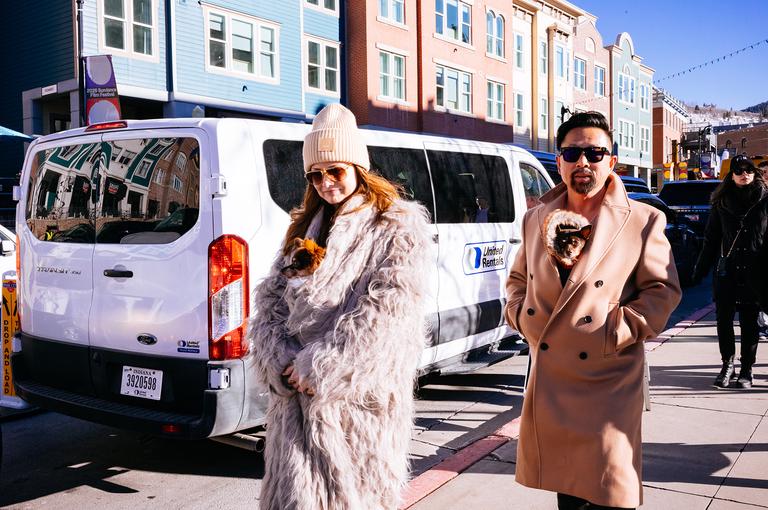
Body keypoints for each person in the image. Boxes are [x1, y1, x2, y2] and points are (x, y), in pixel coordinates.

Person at [247, 103, 432, 510]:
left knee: (353, 498)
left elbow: (388, 312)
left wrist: (321, 364)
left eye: (336, 171)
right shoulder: (305, 225)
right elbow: (271, 301)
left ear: (357, 167)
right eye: (316, 174)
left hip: (353, 406)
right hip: (295, 402)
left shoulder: (395, 225)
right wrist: (280, 359)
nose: (326, 182)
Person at [505, 111, 681, 510]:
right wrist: (520, 316)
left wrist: (614, 330)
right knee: (567, 490)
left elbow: (662, 291)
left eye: (595, 153)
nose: (583, 162)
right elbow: (518, 281)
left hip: (609, 377)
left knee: (610, 489)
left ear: (611, 162)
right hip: (553, 376)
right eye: (572, 153)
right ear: (560, 160)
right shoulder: (536, 218)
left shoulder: (643, 220)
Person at [692, 155, 768, 389]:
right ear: (731, 175)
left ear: (755, 173)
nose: (744, 174)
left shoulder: (766, 201)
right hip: (727, 271)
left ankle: (746, 370)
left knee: (749, 322)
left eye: (748, 170)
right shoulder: (721, 203)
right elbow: (711, 239)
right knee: (724, 320)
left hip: (756, 271)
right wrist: (700, 269)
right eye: (738, 170)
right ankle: (727, 364)